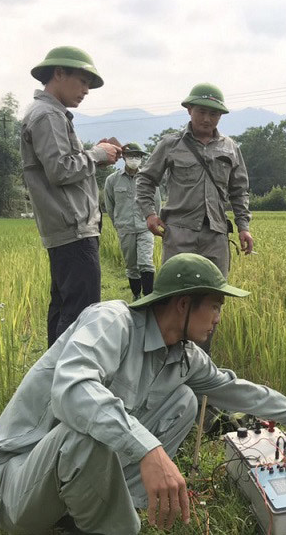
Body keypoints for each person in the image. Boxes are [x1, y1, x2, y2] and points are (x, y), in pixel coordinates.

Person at [0, 253, 286, 535]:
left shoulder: (183, 355)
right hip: (20, 484)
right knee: (85, 431)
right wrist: (150, 450)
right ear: (183, 304)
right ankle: (115, 528)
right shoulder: (112, 322)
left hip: (74, 477)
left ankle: (117, 507)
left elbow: (233, 389)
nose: (218, 318)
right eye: (215, 306)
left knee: (185, 401)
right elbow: (72, 392)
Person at [21, 46, 122, 347]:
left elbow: (64, 162)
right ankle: (68, 385)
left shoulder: (51, 115)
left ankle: (53, 381)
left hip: (68, 227)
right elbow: (61, 170)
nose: (86, 91)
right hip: (73, 229)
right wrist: (96, 154)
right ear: (59, 73)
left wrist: (95, 155)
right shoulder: (47, 115)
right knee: (81, 314)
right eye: (82, 81)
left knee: (65, 307)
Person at [135, 83, 254, 280]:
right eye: (201, 111)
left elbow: (240, 191)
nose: (207, 119)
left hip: (216, 234)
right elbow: (146, 179)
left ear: (220, 116)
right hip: (179, 233)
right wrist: (149, 214)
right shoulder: (171, 144)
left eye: (214, 114)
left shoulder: (230, 147)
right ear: (189, 110)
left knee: (213, 293)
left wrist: (243, 228)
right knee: (176, 292)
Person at [104, 142, 161, 301]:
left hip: (145, 227)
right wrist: (119, 224)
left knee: (146, 262)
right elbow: (110, 205)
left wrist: (153, 221)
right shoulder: (112, 180)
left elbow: (157, 203)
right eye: (131, 156)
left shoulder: (148, 179)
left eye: (137, 156)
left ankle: (149, 298)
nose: (134, 159)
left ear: (142, 158)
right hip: (125, 228)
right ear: (124, 157)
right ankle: (136, 296)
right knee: (131, 265)